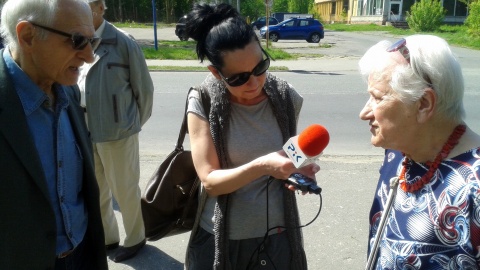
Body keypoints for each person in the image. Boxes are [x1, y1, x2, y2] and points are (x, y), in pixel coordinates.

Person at [183, 3, 320, 270]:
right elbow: (210, 181)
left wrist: (299, 169)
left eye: (260, 67)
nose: (254, 83)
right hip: (221, 239)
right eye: (239, 78)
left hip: (279, 237)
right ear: (216, 73)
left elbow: (289, 151)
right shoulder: (202, 100)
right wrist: (264, 165)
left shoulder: (285, 97)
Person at [0, 0, 108, 269]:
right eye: (77, 40)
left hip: (82, 255)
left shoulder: (67, 88)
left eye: (91, 41)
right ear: (27, 36)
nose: (89, 56)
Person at [359, 34, 480, 269]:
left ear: (424, 104)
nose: (364, 113)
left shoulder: (474, 185)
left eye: (377, 98)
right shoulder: (399, 155)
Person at [78, 0, 154, 263]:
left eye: (85, 6)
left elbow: (144, 90)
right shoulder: (78, 40)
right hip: (87, 131)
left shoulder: (122, 41)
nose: (80, 11)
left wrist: (130, 124)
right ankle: (107, 237)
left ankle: (135, 239)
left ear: (100, 8)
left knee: (125, 190)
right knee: (97, 191)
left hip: (118, 133)